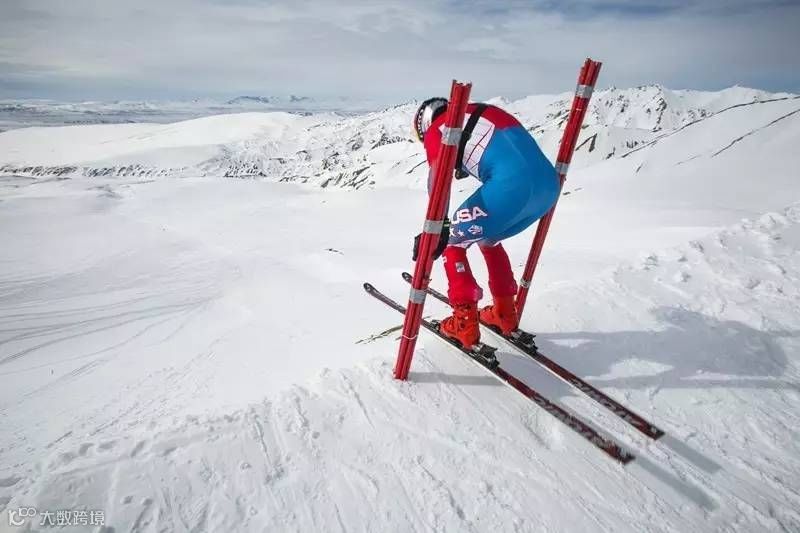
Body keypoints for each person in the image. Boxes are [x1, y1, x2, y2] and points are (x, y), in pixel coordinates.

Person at [411, 97, 560, 348]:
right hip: (548, 190)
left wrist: (438, 228)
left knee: (453, 241)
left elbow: (438, 178)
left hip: (511, 188)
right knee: (487, 238)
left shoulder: (440, 128)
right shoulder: (483, 113)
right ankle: (504, 314)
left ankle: (464, 325)